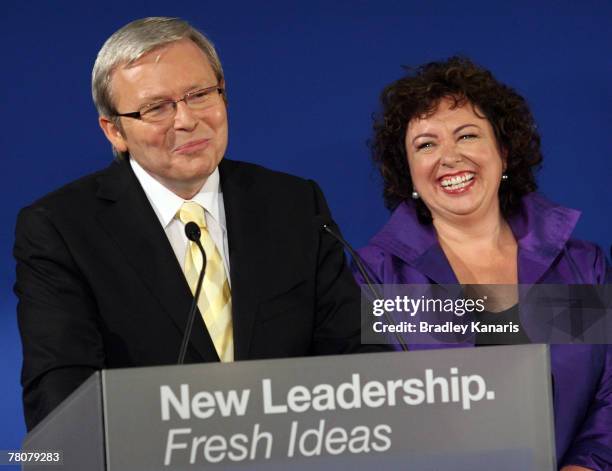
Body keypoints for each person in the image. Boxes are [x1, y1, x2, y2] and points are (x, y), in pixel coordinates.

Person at [14, 17, 371, 432]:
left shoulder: (293, 204)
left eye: (200, 94)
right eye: (156, 107)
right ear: (115, 131)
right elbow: (61, 392)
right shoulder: (61, 229)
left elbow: (354, 354)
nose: (186, 120)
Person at [355, 57, 611, 470]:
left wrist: (586, 466)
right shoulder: (376, 277)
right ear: (409, 173)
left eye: (467, 135)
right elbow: (364, 416)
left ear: (504, 153)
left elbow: (608, 394)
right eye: (426, 144)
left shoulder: (579, 265)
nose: (449, 157)